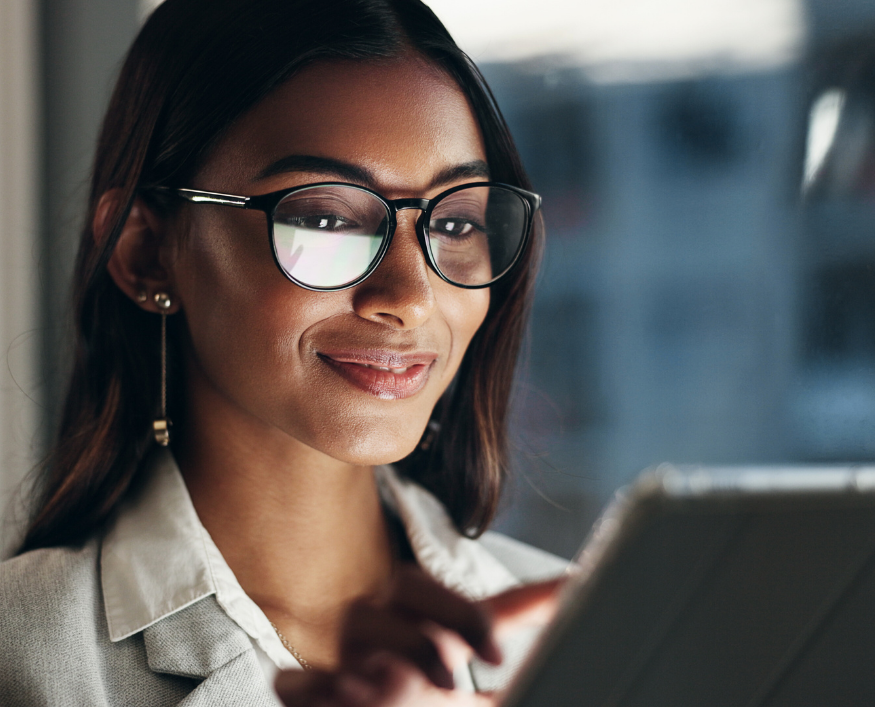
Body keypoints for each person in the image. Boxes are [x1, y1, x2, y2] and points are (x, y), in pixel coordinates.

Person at [0, 0, 567, 705]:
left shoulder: (580, 634)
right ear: (146, 251)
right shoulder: (22, 649)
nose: (409, 295)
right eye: (325, 218)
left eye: (454, 221)